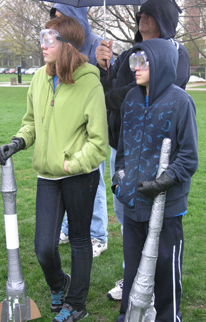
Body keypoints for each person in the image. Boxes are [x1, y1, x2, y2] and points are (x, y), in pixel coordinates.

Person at [0, 16, 108, 322]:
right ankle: (59, 283)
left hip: (79, 176)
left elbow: (99, 143)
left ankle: (77, 304)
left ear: (68, 45)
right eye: (42, 38)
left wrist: (71, 163)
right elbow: (31, 121)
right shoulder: (39, 78)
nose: (42, 45)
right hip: (47, 177)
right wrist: (19, 141)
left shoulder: (90, 82)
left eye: (49, 39)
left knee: (79, 240)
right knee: (44, 247)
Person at [95, 0, 190, 301]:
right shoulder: (126, 56)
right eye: (140, 13)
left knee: (159, 226)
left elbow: (164, 88)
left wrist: (125, 95)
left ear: (164, 18)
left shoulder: (178, 54)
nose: (141, 17)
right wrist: (103, 67)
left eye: (150, 12)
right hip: (124, 148)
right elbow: (107, 96)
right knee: (129, 218)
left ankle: (161, 285)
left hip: (158, 154)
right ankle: (132, 275)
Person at [112, 38, 198, 322]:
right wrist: (119, 180)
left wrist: (161, 184)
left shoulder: (181, 102)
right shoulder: (131, 99)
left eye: (142, 62)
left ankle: (168, 316)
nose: (135, 68)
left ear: (160, 63)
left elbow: (188, 157)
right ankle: (130, 316)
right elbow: (122, 149)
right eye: (134, 61)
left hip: (167, 206)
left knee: (165, 267)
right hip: (132, 203)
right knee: (133, 267)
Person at [50, 3, 113, 257]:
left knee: (93, 180)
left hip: (91, 124)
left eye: (61, 16)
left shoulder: (98, 44)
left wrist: (102, 64)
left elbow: (103, 86)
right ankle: (68, 227)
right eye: (54, 17)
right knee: (67, 179)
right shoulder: (57, 43)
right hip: (67, 124)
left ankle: (98, 235)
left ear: (75, 17)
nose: (57, 21)